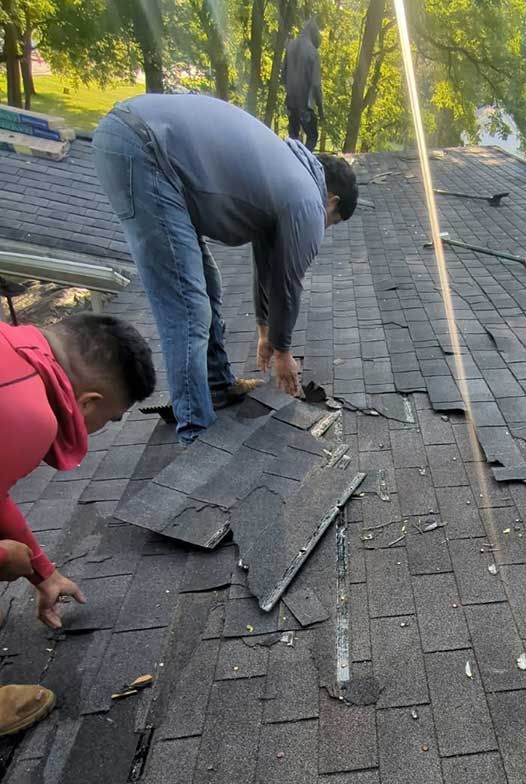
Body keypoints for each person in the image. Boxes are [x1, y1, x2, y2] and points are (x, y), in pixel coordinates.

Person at [92, 93, 357, 443]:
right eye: (333, 222)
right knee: (188, 305)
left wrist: (264, 331)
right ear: (332, 201)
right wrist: (282, 352)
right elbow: (288, 283)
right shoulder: (308, 200)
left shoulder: (288, 176)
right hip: (146, 151)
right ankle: (196, 435)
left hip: (145, 145)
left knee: (207, 281)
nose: (325, 227)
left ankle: (216, 384)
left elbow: (268, 265)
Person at [0, 313, 155, 736]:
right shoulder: (28, 413)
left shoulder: (12, 348)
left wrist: (43, 573)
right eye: (109, 418)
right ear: (87, 402)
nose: (99, 429)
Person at [284, 19, 325, 150]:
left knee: (293, 138)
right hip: (305, 105)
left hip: (291, 102)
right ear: (314, 33)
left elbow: (283, 74)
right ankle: (306, 160)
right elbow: (316, 84)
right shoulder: (313, 53)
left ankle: (293, 159)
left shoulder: (290, 47)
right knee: (312, 136)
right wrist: (321, 109)